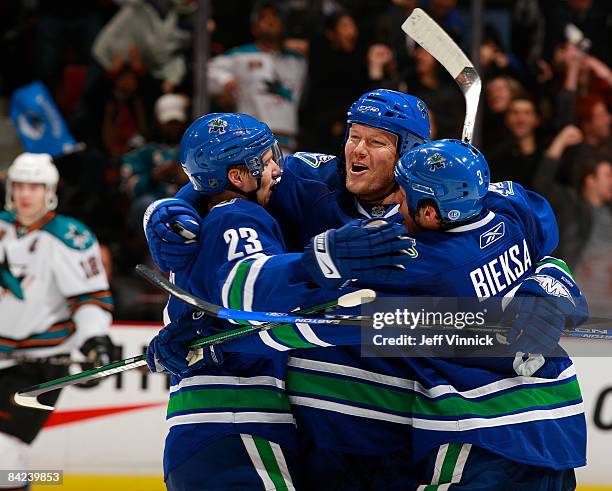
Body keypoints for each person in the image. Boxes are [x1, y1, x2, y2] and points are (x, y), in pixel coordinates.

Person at [145, 91, 589, 488]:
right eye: (353, 135)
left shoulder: (438, 242)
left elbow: (320, 318)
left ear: (410, 156)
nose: (356, 149)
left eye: (376, 142)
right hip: (338, 436)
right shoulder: (307, 181)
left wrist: (549, 292)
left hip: (417, 435)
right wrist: (172, 207)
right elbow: (226, 180)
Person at [144, 112, 412, 490]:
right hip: (233, 420)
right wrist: (325, 270)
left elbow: (221, 307)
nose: (276, 171)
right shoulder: (238, 216)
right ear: (237, 177)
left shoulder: (208, 219)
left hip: (218, 425)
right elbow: (249, 292)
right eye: (266, 162)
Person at [0, 153, 115, 490]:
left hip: (39, 368)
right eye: (20, 185)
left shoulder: (69, 237)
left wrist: (94, 340)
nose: (25, 194)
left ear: (49, 191)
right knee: (8, 459)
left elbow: (90, 299)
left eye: (34, 187)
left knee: (4, 452)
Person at [207, 2, 306, 152]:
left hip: (289, 139)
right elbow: (208, 71)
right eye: (264, 18)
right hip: (251, 138)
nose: (270, 21)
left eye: (275, 17)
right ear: (254, 27)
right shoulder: (240, 56)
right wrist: (225, 83)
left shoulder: (297, 60)